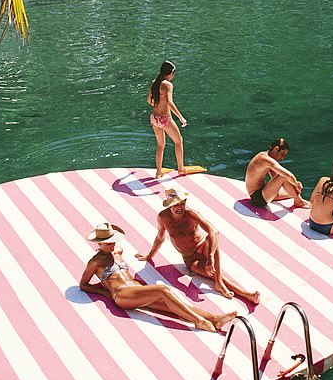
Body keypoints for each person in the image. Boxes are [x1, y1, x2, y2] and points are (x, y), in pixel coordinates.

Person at [79, 222, 238, 332]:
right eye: (107, 243)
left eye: (113, 242)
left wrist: (147, 256)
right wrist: (105, 293)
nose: (112, 245)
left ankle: (215, 319)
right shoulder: (95, 262)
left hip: (137, 290)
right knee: (164, 290)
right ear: (98, 244)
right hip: (121, 295)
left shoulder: (118, 251)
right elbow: (83, 285)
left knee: (175, 305)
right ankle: (199, 321)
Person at [136, 188, 260, 304]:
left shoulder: (191, 214)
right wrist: (149, 255)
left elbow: (214, 231)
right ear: (169, 205)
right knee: (212, 273)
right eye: (175, 204)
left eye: (181, 204)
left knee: (211, 239)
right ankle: (245, 294)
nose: (179, 207)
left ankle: (221, 282)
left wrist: (210, 256)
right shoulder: (163, 217)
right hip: (191, 259)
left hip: (204, 248)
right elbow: (160, 237)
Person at [147, 60, 188, 177]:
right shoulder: (168, 85)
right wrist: (181, 117)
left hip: (154, 118)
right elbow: (170, 103)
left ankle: (158, 172)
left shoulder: (155, 82)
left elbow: (149, 100)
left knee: (160, 145)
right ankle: (181, 168)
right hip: (164, 119)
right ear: (170, 73)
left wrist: (159, 103)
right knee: (178, 141)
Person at [245, 138, 310, 209]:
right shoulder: (265, 159)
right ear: (276, 149)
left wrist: (294, 185)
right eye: (282, 154)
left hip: (263, 193)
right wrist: (296, 185)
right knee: (284, 176)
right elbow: (288, 175)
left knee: (293, 191)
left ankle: (298, 200)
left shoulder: (266, 157)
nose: (282, 158)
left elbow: (275, 177)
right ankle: (299, 201)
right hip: (257, 198)